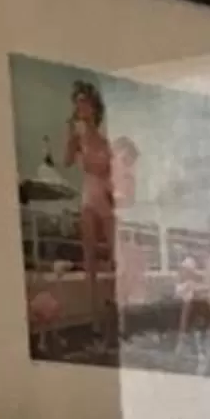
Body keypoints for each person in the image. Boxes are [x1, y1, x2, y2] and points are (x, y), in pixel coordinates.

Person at [61, 79, 118, 360]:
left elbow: (109, 173)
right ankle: (95, 321)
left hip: (104, 199)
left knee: (115, 257)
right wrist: (70, 134)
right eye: (77, 102)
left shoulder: (104, 140)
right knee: (90, 260)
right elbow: (66, 160)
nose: (80, 106)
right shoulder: (79, 137)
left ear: (94, 106)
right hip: (88, 197)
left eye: (84, 101)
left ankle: (115, 313)